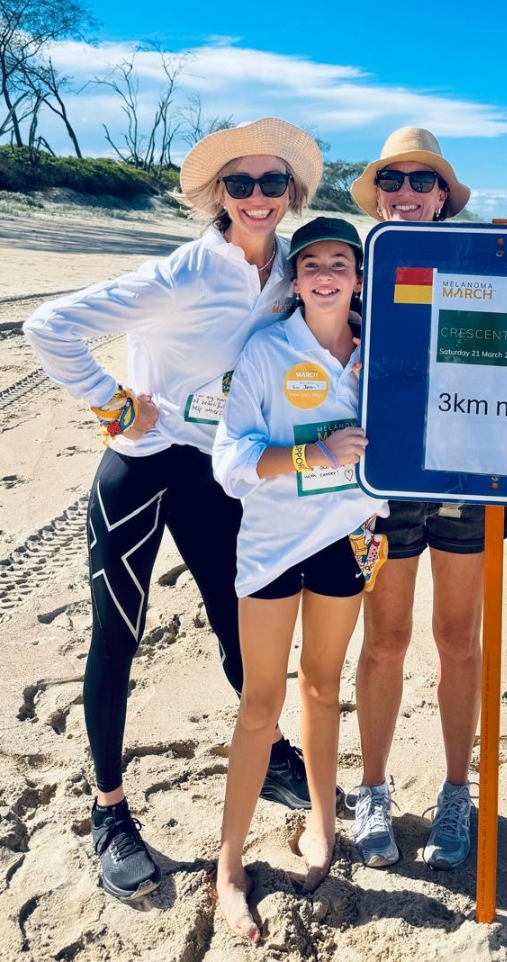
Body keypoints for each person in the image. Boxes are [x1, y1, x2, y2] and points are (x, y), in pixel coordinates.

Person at [22, 118, 323, 901]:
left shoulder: (291, 271)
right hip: (142, 469)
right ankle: (109, 811)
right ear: (218, 194)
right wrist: (114, 403)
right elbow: (48, 326)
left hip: (216, 475)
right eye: (241, 183)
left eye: (273, 182)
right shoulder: (182, 274)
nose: (258, 197)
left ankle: (273, 758)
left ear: (292, 192)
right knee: (117, 635)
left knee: (239, 624)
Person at [345, 127, 507, 872]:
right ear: (378, 194)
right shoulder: (349, 267)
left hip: (468, 477)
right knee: (385, 641)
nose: (406, 193)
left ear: (444, 196)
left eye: (423, 181)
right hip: (382, 483)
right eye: (393, 180)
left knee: (458, 639)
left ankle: (457, 792)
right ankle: (372, 789)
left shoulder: (485, 260)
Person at [210, 217, 383, 942]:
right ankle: (227, 864)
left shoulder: (383, 351)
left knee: (322, 686)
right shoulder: (267, 349)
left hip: (347, 538)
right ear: (296, 277)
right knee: (261, 701)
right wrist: (314, 454)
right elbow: (230, 460)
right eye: (312, 263)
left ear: (359, 277)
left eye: (340, 262)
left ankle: (322, 822)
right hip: (272, 546)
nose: (326, 275)